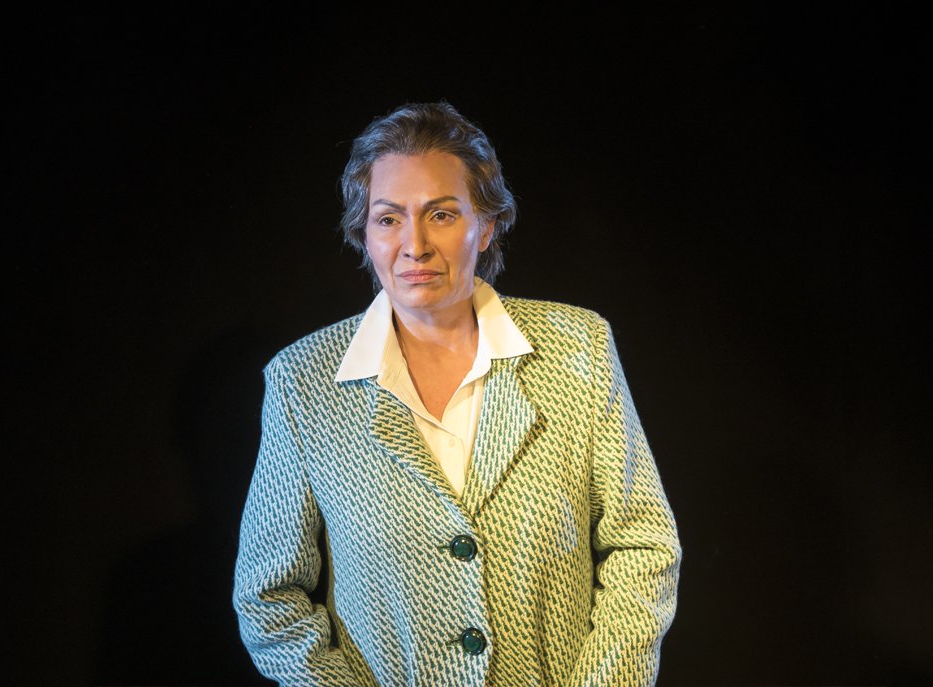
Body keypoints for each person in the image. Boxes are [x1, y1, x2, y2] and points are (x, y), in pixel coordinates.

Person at [233, 102, 681, 687]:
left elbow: (643, 547)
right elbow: (268, 598)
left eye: (441, 214)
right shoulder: (303, 382)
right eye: (388, 219)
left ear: (486, 224)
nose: (414, 245)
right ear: (364, 234)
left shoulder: (578, 348)